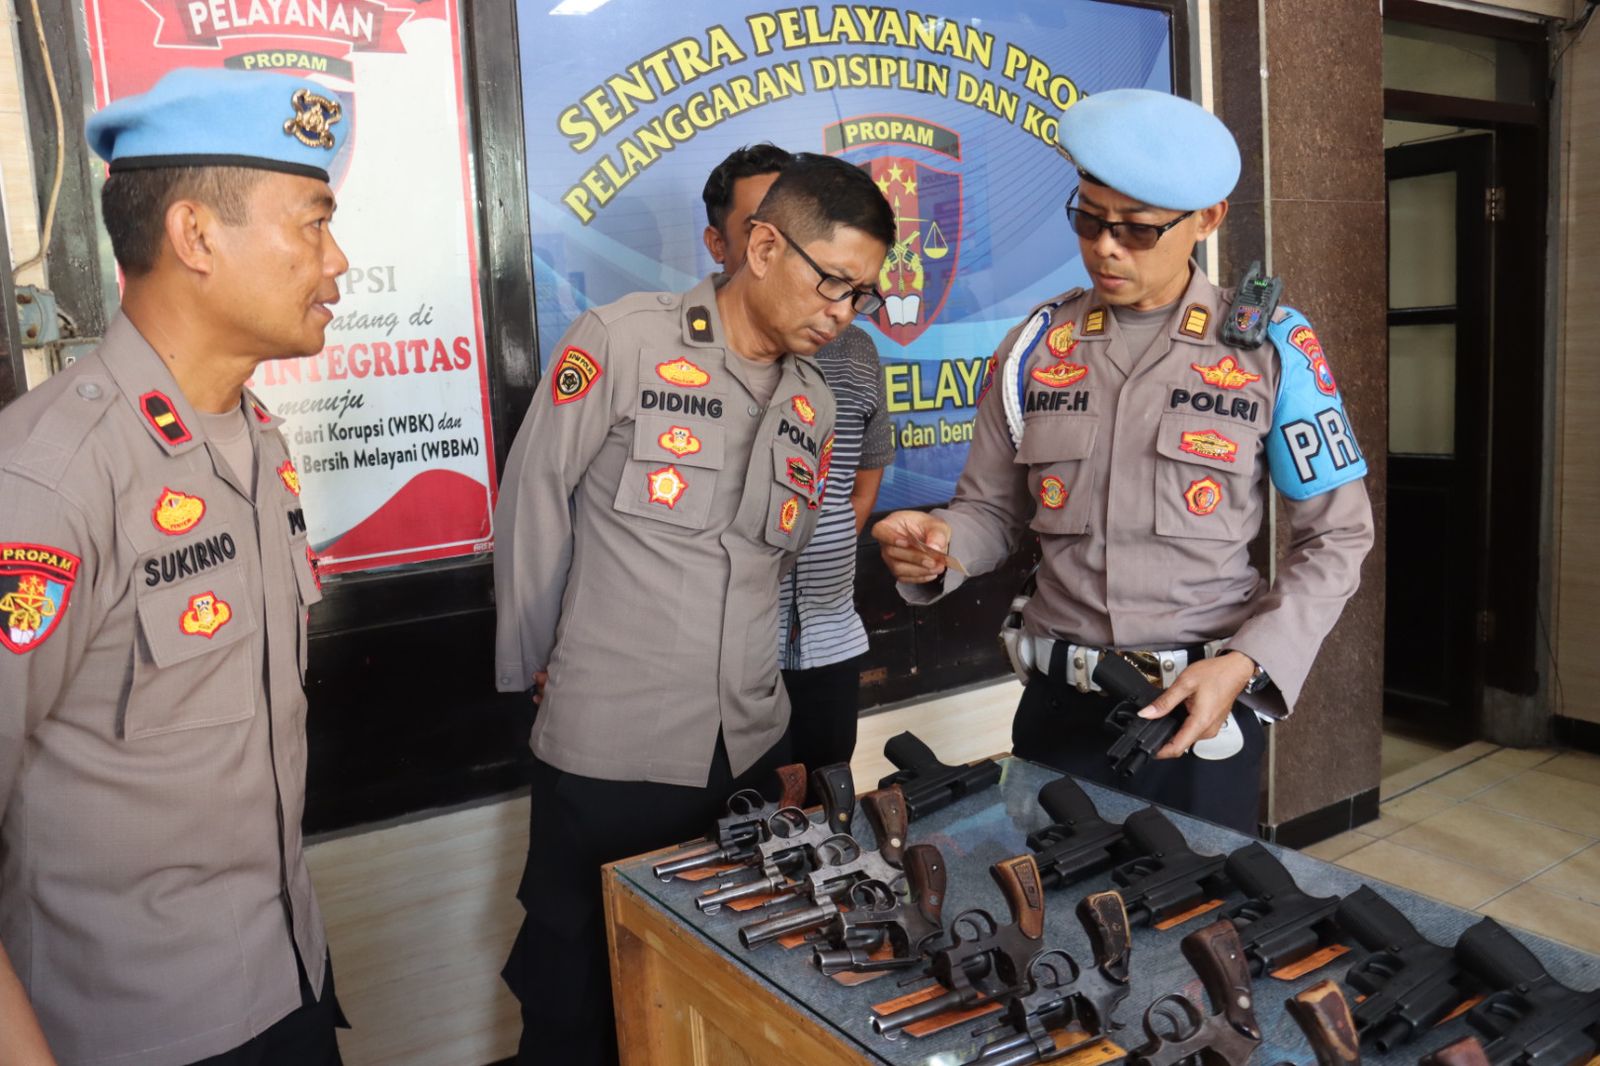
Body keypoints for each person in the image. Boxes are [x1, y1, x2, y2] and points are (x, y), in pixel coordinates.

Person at [872, 89, 1374, 834]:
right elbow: (991, 512)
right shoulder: (1036, 347)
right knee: (1044, 898)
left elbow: (1337, 536)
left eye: (1137, 229)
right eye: (1089, 219)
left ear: (1208, 217)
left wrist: (1246, 663)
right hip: (1057, 710)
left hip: (1199, 708)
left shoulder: (1270, 351)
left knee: (1193, 902)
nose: (1106, 247)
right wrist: (941, 546)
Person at [494, 152, 895, 1064]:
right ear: (763, 246)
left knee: (715, 995)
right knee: (576, 996)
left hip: (744, 753)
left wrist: (780, 742)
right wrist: (537, 670)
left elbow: (772, 571)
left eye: (862, 293)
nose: (844, 311)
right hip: (612, 746)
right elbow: (531, 505)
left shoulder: (815, 403)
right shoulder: (623, 341)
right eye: (832, 281)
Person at [0, 68, 351, 1064]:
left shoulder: (255, 439)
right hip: (135, 1031)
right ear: (196, 236)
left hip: (291, 977)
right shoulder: (50, 481)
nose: (337, 261)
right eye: (313, 224)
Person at [701, 145, 894, 777]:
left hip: (829, 640)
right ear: (731, 243)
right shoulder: (679, 358)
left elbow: (866, 475)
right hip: (721, 655)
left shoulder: (853, 350)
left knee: (823, 811)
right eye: (759, 226)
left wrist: (821, 540)